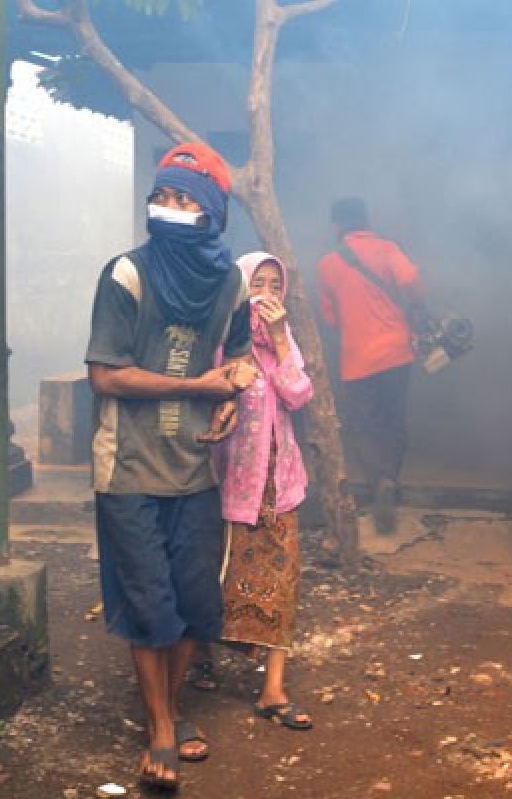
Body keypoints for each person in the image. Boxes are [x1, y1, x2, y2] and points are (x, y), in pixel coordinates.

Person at [84, 142, 255, 791]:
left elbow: (238, 357)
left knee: (194, 603)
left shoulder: (231, 282)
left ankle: (171, 705)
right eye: (163, 196)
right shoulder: (126, 275)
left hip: (194, 471)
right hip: (127, 470)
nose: (170, 208)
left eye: (185, 200)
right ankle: (160, 726)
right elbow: (104, 375)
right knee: (150, 604)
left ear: (212, 212)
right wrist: (198, 388)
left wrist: (232, 392)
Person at [218, 251, 314, 731]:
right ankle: (198, 662)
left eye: (276, 285)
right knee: (216, 577)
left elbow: (298, 394)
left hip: (280, 482)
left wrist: (278, 339)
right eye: (259, 283)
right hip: (230, 483)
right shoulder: (224, 339)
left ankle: (273, 689)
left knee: (282, 578)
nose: (268, 293)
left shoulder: (283, 339)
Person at [316, 197, 424, 534]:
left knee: (363, 424)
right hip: (396, 353)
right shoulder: (387, 249)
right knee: (393, 418)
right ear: (366, 220)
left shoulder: (327, 265)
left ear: (336, 225)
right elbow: (412, 283)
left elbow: (331, 319)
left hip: (357, 360)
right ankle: (391, 477)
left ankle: (377, 480)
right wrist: (417, 306)